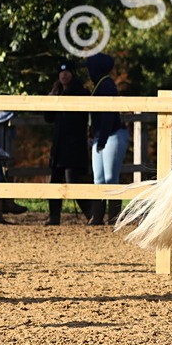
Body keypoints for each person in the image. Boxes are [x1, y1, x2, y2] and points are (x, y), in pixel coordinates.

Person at [43, 62, 93, 225]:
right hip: (59, 145)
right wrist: (51, 100)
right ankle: (54, 217)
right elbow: (48, 118)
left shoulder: (81, 92)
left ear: (72, 74)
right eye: (61, 72)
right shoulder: (56, 92)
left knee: (74, 181)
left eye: (67, 72)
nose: (64, 75)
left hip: (74, 144)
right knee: (55, 181)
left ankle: (90, 214)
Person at [86, 53, 128, 225]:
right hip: (101, 136)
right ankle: (97, 216)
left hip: (112, 135)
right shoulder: (99, 84)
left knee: (111, 177)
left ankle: (113, 217)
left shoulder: (106, 84)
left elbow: (108, 115)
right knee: (98, 178)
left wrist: (101, 138)